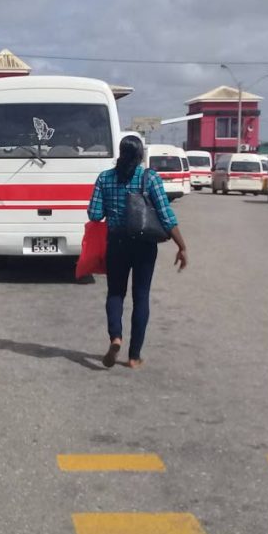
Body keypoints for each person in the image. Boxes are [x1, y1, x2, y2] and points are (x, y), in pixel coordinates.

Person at [87, 134, 187, 369]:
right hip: (144, 245)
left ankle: (116, 338)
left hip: (117, 244)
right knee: (141, 297)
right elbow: (165, 215)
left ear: (120, 153)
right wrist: (181, 246)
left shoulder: (105, 178)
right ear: (141, 154)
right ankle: (134, 356)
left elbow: (94, 214)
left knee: (115, 293)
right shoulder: (149, 177)